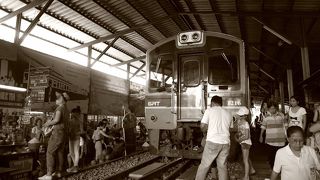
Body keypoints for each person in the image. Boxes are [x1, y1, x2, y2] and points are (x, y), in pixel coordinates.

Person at [195, 96, 233, 180]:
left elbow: (203, 126)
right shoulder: (228, 113)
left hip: (213, 142)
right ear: (220, 103)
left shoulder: (209, 111)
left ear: (212, 103)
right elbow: (230, 128)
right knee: (222, 167)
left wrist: (208, 128)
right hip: (225, 143)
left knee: (204, 166)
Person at [39, 92, 70, 180]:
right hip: (63, 134)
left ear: (61, 99)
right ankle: (58, 172)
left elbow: (56, 120)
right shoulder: (66, 109)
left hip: (57, 133)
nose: (56, 100)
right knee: (60, 152)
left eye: (57, 98)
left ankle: (49, 174)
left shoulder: (60, 108)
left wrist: (47, 123)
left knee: (50, 152)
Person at [259, 101, 286, 168]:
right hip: (270, 140)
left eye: (274, 108)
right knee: (271, 156)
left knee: (280, 155)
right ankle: (273, 168)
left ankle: (279, 168)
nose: (272, 110)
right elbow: (263, 127)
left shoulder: (281, 115)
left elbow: (285, 126)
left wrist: (287, 135)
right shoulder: (266, 117)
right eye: (271, 108)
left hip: (280, 139)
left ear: (276, 108)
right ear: (268, 109)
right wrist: (261, 136)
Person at [235, 107, 256, 180]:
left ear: (245, 116)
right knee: (246, 158)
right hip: (243, 142)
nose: (240, 117)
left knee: (245, 160)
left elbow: (247, 136)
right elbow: (240, 132)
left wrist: (239, 140)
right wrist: (237, 137)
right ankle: (252, 170)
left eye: (241, 116)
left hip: (245, 143)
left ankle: (246, 177)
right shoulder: (239, 122)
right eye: (239, 115)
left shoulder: (246, 123)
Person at [67, 106, 83, 173]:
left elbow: (82, 131)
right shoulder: (70, 121)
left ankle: (75, 166)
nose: (72, 115)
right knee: (71, 152)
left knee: (76, 151)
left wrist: (76, 133)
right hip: (71, 138)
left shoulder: (79, 121)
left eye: (73, 113)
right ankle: (75, 166)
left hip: (76, 137)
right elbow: (68, 130)